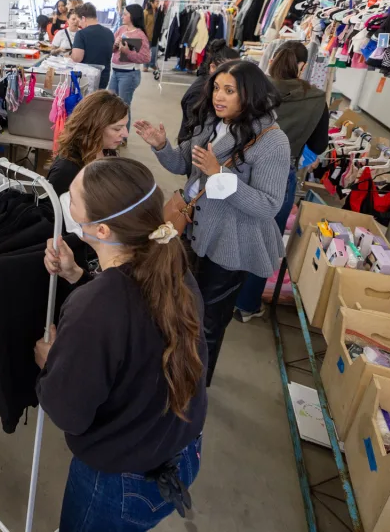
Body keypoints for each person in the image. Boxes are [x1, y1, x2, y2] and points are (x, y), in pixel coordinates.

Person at [36, 156, 206, 531]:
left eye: (74, 199)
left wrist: (51, 363)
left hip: (122, 481)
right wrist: (79, 275)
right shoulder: (173, 267)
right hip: (181, 449)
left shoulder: (94, 308)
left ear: (100, 229)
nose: (66, 200)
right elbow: (134, 329)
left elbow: (69, 413)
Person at [134, 61, 290, 386]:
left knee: (208, 325)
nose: (219, 97)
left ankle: (194, 391)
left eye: (229, 91)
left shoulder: (272, 141)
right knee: (182, 308)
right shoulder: (213, 123)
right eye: (217, 88)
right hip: (194, 231)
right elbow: (184, 165)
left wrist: (221, 175)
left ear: (250, 93)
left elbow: (268, 205)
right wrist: (161, 144)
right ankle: (176, 373)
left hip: (230, 246)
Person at [233, 42, 329, 323]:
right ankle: (247, 305)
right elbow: (319, 143)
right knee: (265, 241)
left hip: (241, 168)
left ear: (273, 59)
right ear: (303, 66)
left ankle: (219, 294)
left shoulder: (251, 87)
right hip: (279, 175)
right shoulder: (315, 98)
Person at [47, 90, 128, 196]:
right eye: (117, 128)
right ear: (93, 128)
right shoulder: (66, 170)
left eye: (125, 126)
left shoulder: (107, 151)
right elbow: (54, 211)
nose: (126, 134)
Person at [178, 43, 240, 141]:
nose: (235, 74)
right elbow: (196, 133)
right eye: (229, 69)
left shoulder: (211, 84)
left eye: (237, 69)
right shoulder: (199, 94)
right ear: (212, 68)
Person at [108, 3, 151, 123]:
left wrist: (127, 52)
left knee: (123, 107)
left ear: (133, 16)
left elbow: (146, 58)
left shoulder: (140, 35)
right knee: (110, 103)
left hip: (128, 75)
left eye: (125, 14)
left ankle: (122, 139)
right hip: (115, 72)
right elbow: (111, 50)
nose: (122, 16)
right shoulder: (121, 29)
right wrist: (115, 45)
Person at [70, 3, 116, 90]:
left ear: (83, 18)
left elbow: (77, 58)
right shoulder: (109, 32)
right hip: (104, 76)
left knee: (86, 102)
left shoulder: (81, 34)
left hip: (87, 78)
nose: (79, 24)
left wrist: (71, 55)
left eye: (79, 21)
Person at [143, 0, 157, 71]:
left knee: (154, 52)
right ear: (151, 3)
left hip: (155, 35)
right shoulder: (146, 12)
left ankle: (152, 64)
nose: (158, 3)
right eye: (156, 2)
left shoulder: (158, 12)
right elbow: (143, 24)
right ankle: (145, 65)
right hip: (147, 35)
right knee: (147, 51)